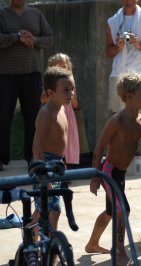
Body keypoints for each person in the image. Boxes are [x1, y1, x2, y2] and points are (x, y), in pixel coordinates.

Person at [85, 72, 141, 265]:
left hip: (121, 173)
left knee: (111, 212)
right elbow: (99, 147)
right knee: (122, 210)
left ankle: (92, 243)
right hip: (108, 172)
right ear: (128, 96)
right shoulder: (117, 120)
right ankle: (119, 252)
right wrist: (95, 177)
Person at [105, 0, 141, 173]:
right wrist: (118, 46)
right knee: (118, 119)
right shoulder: (112, 21)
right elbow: (108, 51)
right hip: (119, 75)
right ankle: (117, 162)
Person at [0, 0, 53, 170]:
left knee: (33, 117)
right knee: (2, 117)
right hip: (5, 74)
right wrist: (16, 37)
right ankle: (1, 159)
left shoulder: (36, 14)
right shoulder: (2, 14)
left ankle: (33, 157)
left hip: (32, 73)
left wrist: (34, 40)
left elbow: (49, 38)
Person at [31, 66, 75, 234]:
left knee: (44, 207)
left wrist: (62, 161)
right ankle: (51, 249)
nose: (70, 93)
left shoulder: (63, 109)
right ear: (50, 93)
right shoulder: (46, 113)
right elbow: (37, 144)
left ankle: (31, 236)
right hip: (44, 164)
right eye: (65, 90)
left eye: (72, 89)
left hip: (56, 163)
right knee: (52, 209)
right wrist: (43, 171)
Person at [41, 53, 80, 169]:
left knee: (68, 141)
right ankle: (55, 172)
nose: (62, 69)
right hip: (55, 113)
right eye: (58, 67)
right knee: (56, 140)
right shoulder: (49, 83)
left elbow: (75, 103)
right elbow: (42, 98)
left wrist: (70, 92)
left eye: (64, 66)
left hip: (68, 115)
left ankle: (66, 169)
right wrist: (55, 94)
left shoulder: (70, 82)